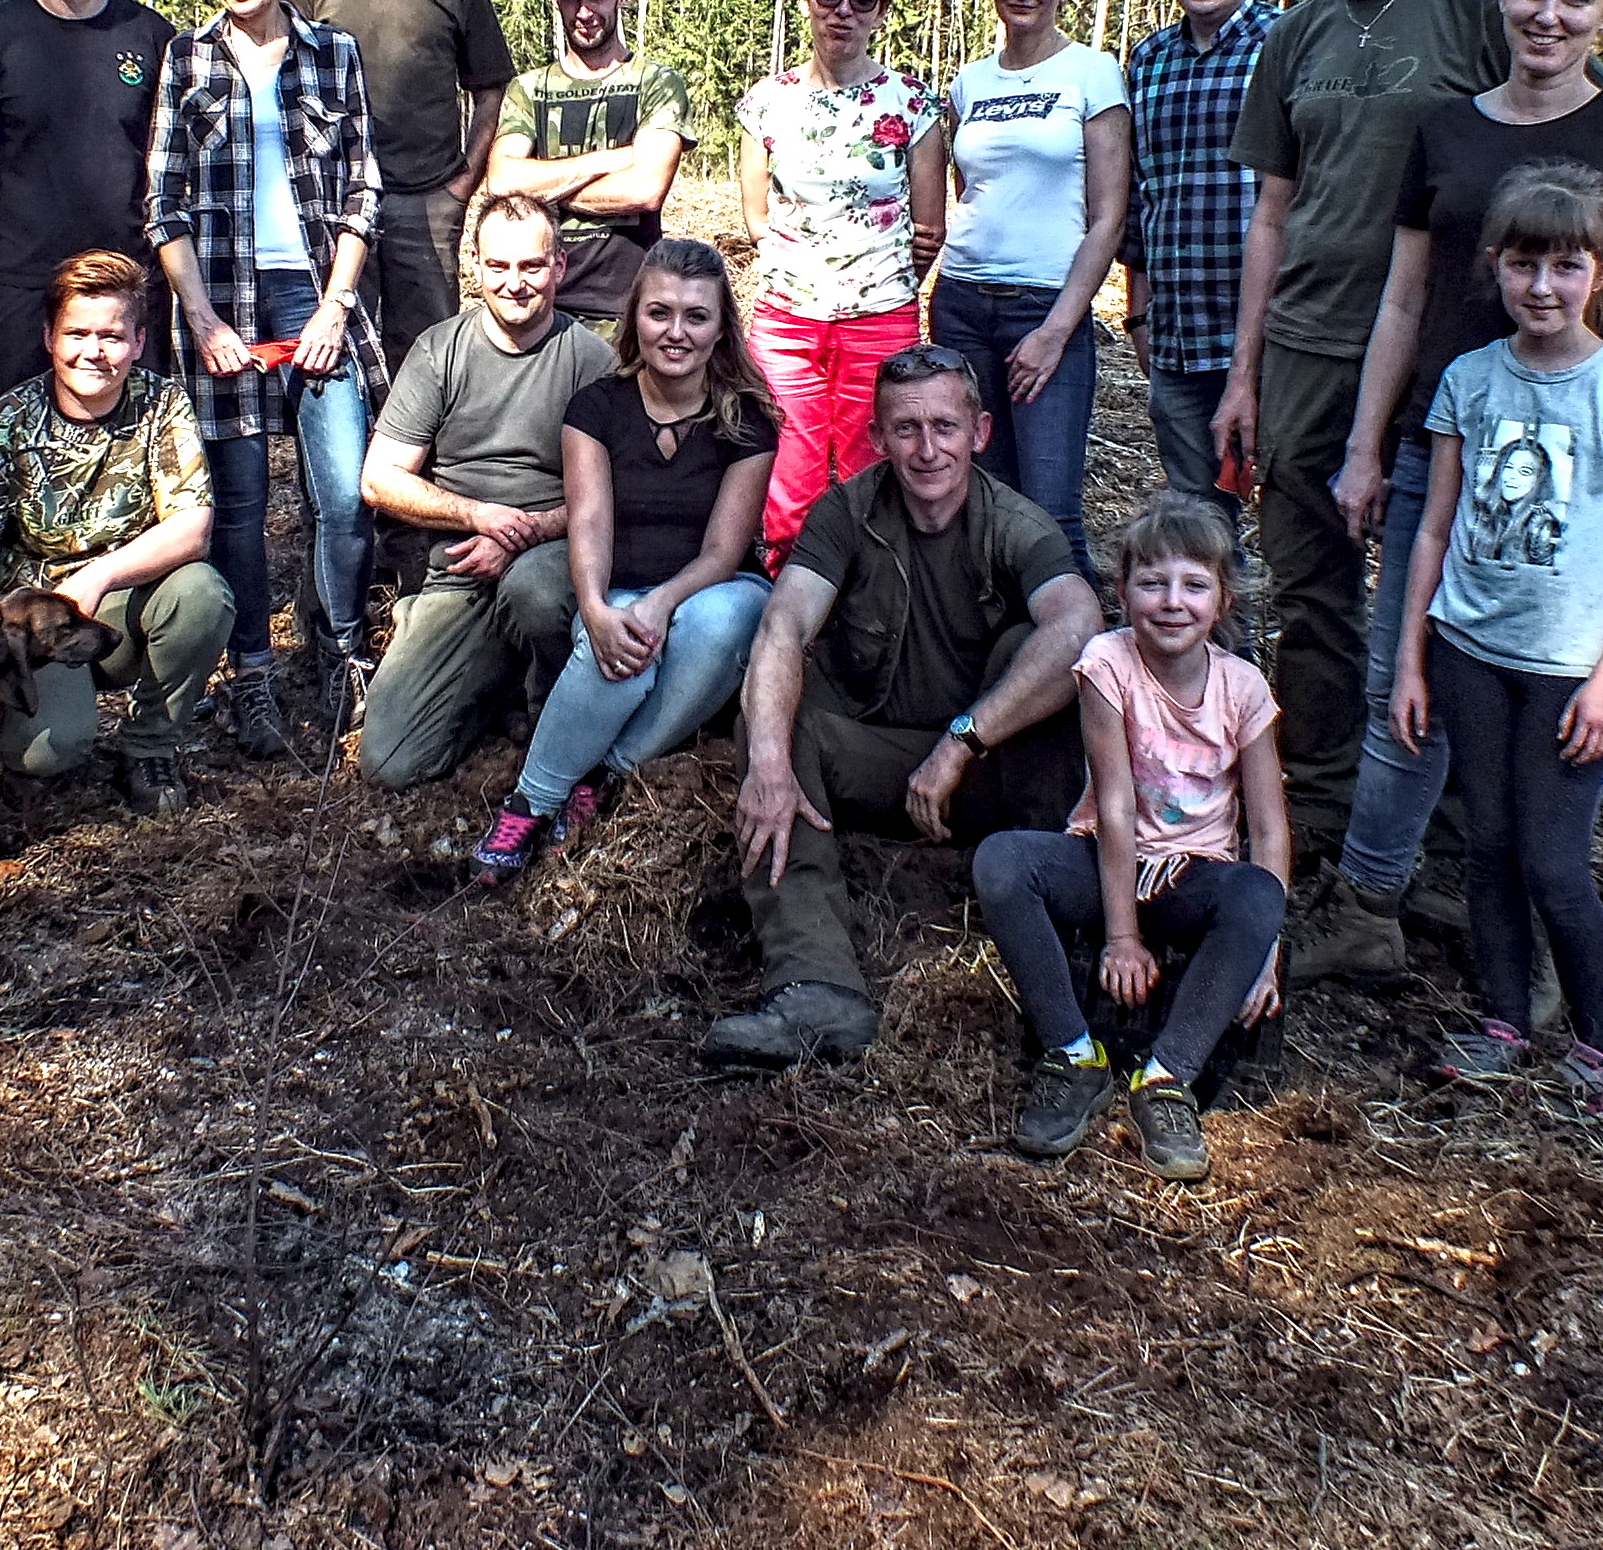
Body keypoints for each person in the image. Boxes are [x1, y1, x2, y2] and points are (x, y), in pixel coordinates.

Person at [1298, 0, 1603, 984]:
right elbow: (1401, 303)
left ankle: (1535, 915)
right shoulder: (1449, 129)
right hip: (1447, 446)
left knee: (1550, 690)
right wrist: (1369, 447)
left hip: (1582, 465)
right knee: (1408, 679)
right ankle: (1370, 903)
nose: (1547, 16)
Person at [1214, 0, 1584, 853]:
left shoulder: (1476, 11)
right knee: (1312, 588)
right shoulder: (1299, 35)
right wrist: (1245, 374)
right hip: (1308, 345)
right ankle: (1328, 803)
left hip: (1454, 354)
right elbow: (1272, 214)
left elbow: (1564, 137)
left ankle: (1459, 818)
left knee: (1461, 592)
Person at [1383, 165, 1603, 1118]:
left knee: (1553, 862)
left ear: (1601, 270)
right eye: (1523, 266)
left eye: (1564, 266)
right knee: (1486, 844)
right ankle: (1503, 1021)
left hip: (1567, 672)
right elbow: (1432, 528)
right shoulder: (1469, 381)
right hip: (1471, 650)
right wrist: (1410, 657)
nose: (1543, 287)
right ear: (1496, 269)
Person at [713, 345, 1104, 1067]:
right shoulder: (848, 512)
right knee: (769, 715)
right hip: (879, 759)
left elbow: (1082, 625)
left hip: (985, 777)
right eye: (907, 429)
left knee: (1048, 653)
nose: (928, 450)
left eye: (945, 427)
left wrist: (964, 741)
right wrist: (767, 760)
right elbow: (785, 624)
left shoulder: (1015, 523)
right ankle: (815, 985)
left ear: (980, 432)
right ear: (878, 437)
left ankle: (1069, 939)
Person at [971, 495, 1289, 1175]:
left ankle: (1166, 1077)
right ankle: (1072, 1053)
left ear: (1223, 600)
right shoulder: (1106, 665)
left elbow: (1267, 825)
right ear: (1121, 593)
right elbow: (1115, 805)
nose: (1172, 602)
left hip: (1193, 874)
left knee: (1259, 897)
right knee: (1002, 862)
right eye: (1152, 583)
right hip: (1105, 860)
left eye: (1194, 585)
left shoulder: (1245, 687)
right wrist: (1121, 938)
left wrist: (1268, 953)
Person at [146, 0, 391, 757]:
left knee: (343, 498)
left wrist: (335, 304)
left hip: (315, 299)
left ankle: (341, 651)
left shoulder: (335, 54)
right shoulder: (186, 60)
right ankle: (251, 671)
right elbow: (162, 205)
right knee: (240, 507)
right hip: (223, 309)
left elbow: (365, 189)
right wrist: (202, 318)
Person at [473, 238, 777, 883]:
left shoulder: (747, 420)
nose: (676, 332)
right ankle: (533, 799)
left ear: (721, 328)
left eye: (697, 317)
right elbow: (588, 521)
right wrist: (593, 606)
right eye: (659, 313)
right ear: (634, 317)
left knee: (723, 619)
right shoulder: (597, 407)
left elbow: (725, 551)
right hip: (614, 579)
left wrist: (661, 604)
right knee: (621, 648)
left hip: (705, 590)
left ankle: (606, 771)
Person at [0, 253, 232, 818]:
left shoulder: (163, 405)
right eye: (78, 333)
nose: (95, 351)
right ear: (48, 337)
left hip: (117, 611)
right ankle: (46, 718)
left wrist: (100, 576)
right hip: (36, 636)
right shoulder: (5, 423)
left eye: (112, 336)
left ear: (139, 342)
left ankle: (151, 743)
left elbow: (193, 528)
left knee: (202, 593)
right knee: (46, 756)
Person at [355, 194, 617, 788]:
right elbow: (380, 479)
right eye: (498, 266)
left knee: (535, 592)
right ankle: (490, 674)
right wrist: (477, 516)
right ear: (474, 264)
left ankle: (552, 713)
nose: (514, 283)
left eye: (531, 266)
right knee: (391, 762)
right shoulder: (439, 350)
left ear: (559, 267)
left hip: (552, 555)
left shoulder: (592, 361)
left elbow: (613, 495)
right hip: (459, 564)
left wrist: (524, 532)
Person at [737, 0, 947, 565]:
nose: (844, 12)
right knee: (787, 469)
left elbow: (929, 229)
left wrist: (867, 280)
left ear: (882, 10)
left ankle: (870, 591)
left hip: (881, 318)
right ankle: (782, 601)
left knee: (872, 463)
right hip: (786, 320)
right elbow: (754, 216)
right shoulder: (766, 104)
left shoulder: (912, 105)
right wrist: (809, 271)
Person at [934, 0, 1129, 581]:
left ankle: (1074, 670)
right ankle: (993, 653)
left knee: (1050, 508)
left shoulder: (1093, 74)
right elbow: (971, 190)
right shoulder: (969, 83)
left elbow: (1108, 216)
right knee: (978, 496)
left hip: (1045, 307)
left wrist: (1057, 329)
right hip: (961, 304)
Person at [287, 0, 517, 366]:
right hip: (337, 202)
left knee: (429, 353)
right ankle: (350, 452)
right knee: (337, 349)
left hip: (427, 201)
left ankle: (427, 453)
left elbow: (490, 91)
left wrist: (463, 182)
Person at [0, 0, 175, 413]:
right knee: (4, 440)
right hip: (21, 280)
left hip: (127, 279)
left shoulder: (151, 36)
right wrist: (9, 207)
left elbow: (173, 158)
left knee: (133, 448)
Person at [1121, 0, 1276, 532]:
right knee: (1199, 535)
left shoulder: (1288, 49)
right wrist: (1138, 318)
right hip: (1180, 348)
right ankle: (1220, 639)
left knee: (1300, 532)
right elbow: (1139, 199)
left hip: (1273, 347)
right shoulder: (1148, 61)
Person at [484, 0, 691, 332]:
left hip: (629, 310)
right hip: (541, 306)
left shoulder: (657, 83)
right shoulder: (529, 89)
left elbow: (644, 190)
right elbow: (502, 180)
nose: (584, 10)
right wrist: (613, 159)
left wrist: (544, 188)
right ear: (554, 0)